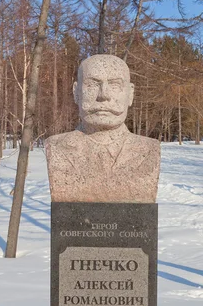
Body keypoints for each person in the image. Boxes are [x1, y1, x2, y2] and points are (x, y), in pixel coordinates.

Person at [45, 54, 160, 203]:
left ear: (130, 94)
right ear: (76, 92)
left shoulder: (148, 150)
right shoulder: (57, 148)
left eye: (114, 85)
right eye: (92, 84)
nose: (103, 95)